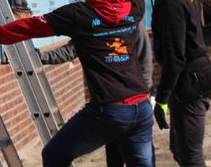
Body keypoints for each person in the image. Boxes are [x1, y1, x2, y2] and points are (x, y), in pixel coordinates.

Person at [0, 0, 154, 167]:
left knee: (54, 155)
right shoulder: (135, 9)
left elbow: (27, 27)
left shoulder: (79, 14)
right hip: (141, 107)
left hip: (109, 110)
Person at [142, 0, 211, 167]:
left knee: (190, 156)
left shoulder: (169, 0)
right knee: (179, 150)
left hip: (190, 82)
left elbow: (176, 56)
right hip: (189, 80)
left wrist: (162, 98)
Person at [39, 12, 154, 167]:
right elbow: (70, 51)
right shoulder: (91, 23)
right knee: (117, 158)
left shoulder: (132, 23)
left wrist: (145, 92)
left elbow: (145, 61)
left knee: (53, 154)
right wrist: (39, 56)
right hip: (121, 106)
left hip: (118, 108)